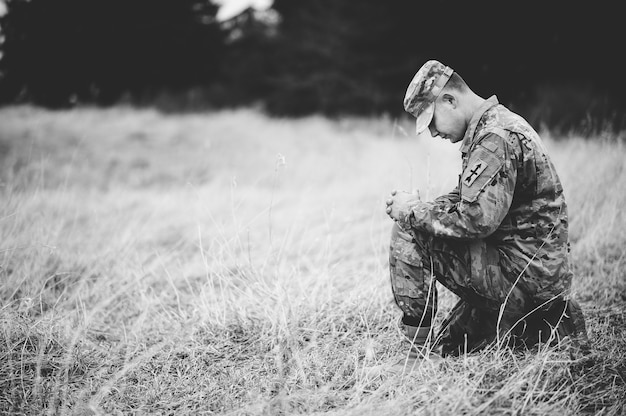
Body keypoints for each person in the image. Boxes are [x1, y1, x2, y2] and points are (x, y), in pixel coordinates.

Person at [385, 59, 589, 360]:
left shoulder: (496, 137)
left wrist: (411, 212)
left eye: (431, 121)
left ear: (450, 100)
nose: (431, 133)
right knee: (450, 346)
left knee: (407, 229)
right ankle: (545, 323)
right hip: (531, 275)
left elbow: (476, 220)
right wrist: (425, 206)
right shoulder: (494, 127)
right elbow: (469, 198)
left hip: (521, 279)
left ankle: (413, 355)